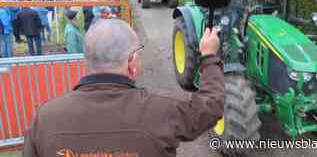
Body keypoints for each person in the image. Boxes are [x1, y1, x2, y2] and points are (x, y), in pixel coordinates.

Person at [24, 19, 224, 157]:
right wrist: (209, 57)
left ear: (87, 59)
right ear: (132, 61)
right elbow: (211, 106)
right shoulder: (164, 109)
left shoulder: (45, 117)